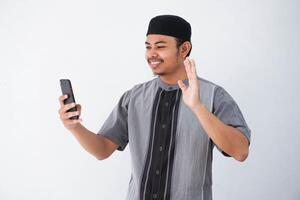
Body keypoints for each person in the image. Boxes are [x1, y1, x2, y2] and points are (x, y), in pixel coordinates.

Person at [58, 15, 251, 200]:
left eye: (160, 47)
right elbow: (102, 150)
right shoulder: (134, 97)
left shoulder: (213, 95)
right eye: (148, 47)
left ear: (184, 49)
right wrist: (75, 127)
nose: (152, 54)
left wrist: (198, 107)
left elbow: (240, 151)